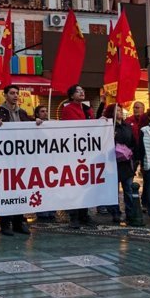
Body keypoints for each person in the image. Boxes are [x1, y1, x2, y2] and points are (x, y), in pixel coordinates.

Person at [0, 84, 42, 234]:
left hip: (20, 158)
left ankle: (19, 222)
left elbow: (31, 126)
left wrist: (36, 123)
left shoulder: (22, 113)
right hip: (3, 158)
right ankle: (5, 224)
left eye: (17, 93)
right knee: (5, 190)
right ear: (5, 95)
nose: (15, 95)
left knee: (20, 189)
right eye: (12, 93)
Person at [60, 85, 94, 227]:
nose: (82, 92)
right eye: (78, 91)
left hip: (87, 151)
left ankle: (84, 214)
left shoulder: (87, 109)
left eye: (83, 90)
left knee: (86, 183)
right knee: (74, 185)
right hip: (74, 151)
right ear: (72, 95)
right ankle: (74, 216)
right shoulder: (68, 109)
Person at [104, 105, 135, 224]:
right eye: (117, 110)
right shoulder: (109, 127)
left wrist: (130, 151)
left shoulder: (127, 126)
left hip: (126, 162)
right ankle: (115, 212)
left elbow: (132, 141)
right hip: (113, 162)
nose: (120, 112)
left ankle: (130, 212)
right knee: (113, 190)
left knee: (128, 188)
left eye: (121, 110)